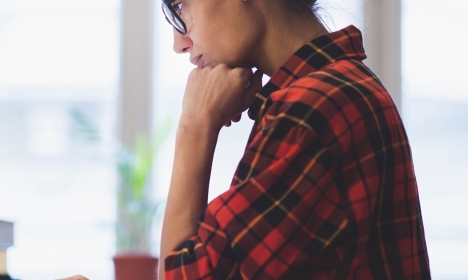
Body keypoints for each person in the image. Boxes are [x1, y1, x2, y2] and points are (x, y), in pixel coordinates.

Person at [157, 0, 430, 279]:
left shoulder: (311, 111)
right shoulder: (341, 86)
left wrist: (194, 127)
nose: (179, 44)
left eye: (179, 6)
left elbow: (180, 275)